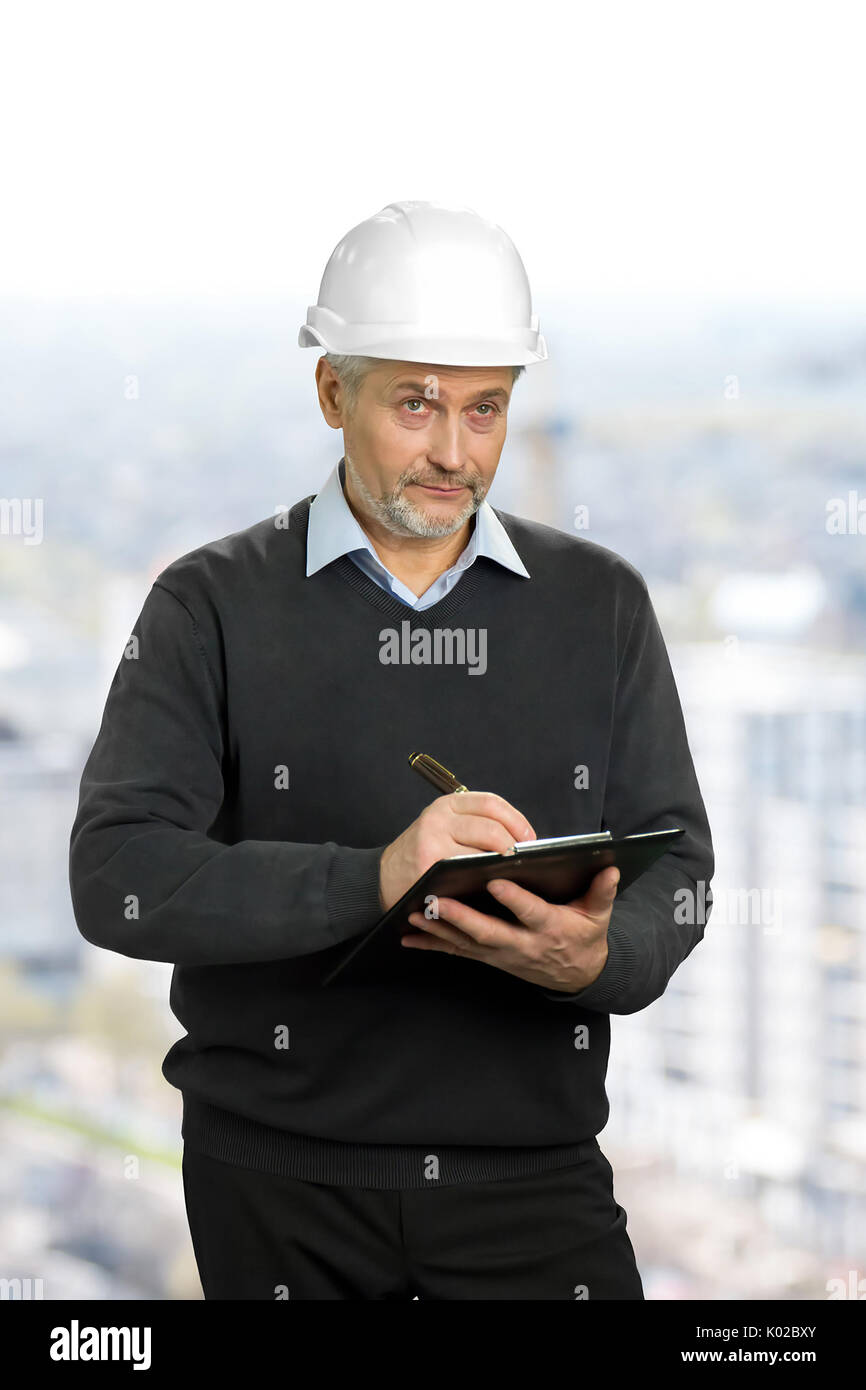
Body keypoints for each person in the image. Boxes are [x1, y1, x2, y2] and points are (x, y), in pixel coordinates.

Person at [69, 200, 714, 1300]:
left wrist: (598, 961)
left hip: (532, 1179)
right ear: (332, 392)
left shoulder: (599, 604)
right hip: (275, 1187)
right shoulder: (208, 605)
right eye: (414, 404)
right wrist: (376, 877)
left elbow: (683, 876)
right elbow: (116, 878)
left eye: (485, 409)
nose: (453, 453)